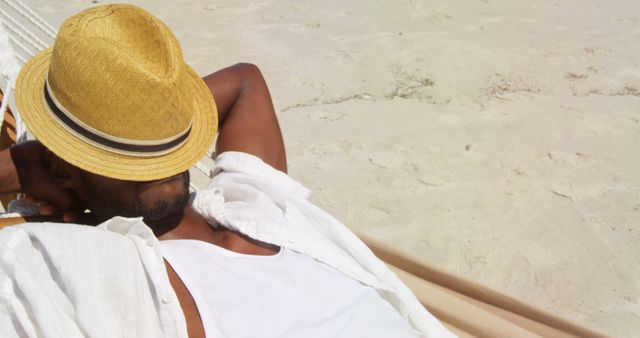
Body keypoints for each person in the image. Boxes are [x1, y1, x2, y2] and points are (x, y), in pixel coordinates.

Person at [0, 4, 453, 338]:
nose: (161, 162)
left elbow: (245, 81)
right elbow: (243, 82)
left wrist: (32, 167)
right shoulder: (86, 263)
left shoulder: (253, 206)